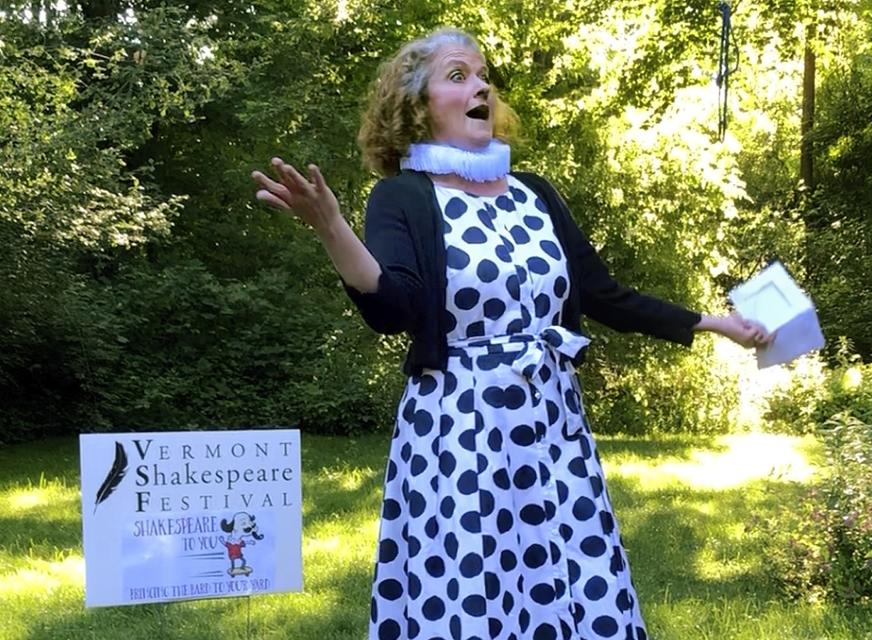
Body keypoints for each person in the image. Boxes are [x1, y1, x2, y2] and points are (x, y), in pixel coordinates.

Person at [252, 27, 770, 640]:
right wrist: (332, 228)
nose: (481, 86)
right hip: (456, 428)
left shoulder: (536, 194)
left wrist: (715, 324)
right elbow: (395, 309)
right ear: (417, 108)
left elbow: (604, 295)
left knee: (573, 579)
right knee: (471, 585)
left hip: (550, 423)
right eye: (458, 75)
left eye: (482, 74)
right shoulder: (404, 197)